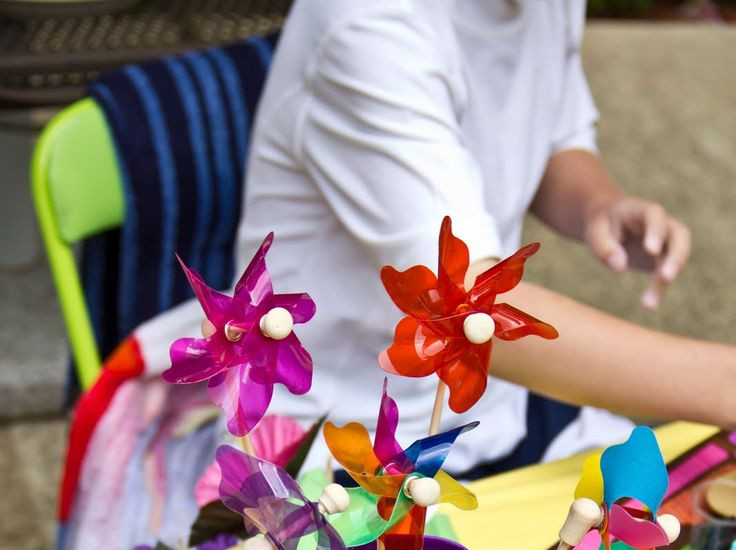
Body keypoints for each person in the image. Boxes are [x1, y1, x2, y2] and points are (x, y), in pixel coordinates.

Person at [223, 0, 734, 475]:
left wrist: (597, 204)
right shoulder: (369, 25)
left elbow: (556, 133)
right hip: (346, 450)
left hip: (492, 408)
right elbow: (463, 308)